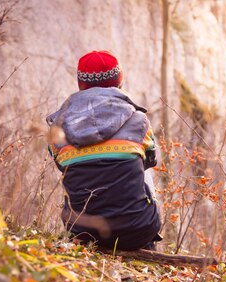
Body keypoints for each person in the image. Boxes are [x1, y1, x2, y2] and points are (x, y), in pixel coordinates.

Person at [46, 50, 161, 251]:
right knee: (142, 163)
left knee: (72, 168)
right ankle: (148, 245)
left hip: (82, 230)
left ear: (81, 85)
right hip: (137, 229)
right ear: (119, 81)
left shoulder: (57, 128)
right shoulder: (139, 121)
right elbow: (151, 161)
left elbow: (60, 167)